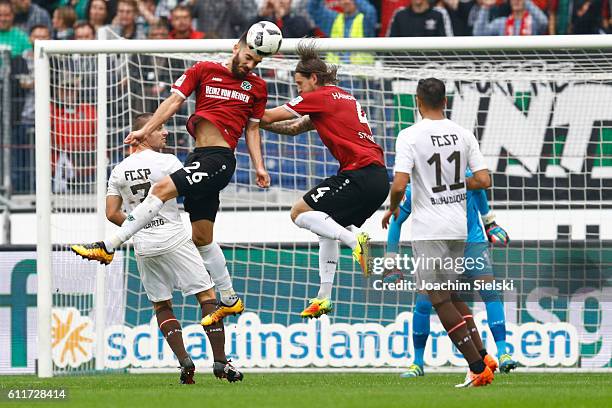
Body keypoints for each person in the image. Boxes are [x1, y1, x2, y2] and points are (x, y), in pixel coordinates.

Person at [71, 25, 272, 328]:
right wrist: (146, 130)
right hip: (198, 157)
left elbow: (252, 129)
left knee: (162, 188)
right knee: (202, 237)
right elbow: (173, 102)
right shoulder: (204, 70)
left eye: (256, 62)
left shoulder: (256, 88)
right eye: (248, 57)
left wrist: (259, 165)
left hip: (220, 158)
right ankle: (230, 299)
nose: (250, 65)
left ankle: (109, 246)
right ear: (236, 47)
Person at [105, 113, 243, 383]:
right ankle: (220, 362)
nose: (165, 133)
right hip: (174, 237)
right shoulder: (167, 161)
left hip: (144, 243)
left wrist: (138, 225)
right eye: (160, 129)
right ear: (144, 133)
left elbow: (111, 213)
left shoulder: (118, 170)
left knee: (161, 305)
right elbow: (191, 189)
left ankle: (184, 362)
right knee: (207, 296)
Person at [261, 42, 389, 319]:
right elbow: (294, 129)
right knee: (324, 225)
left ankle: (355, 242)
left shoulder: (319, 97)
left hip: (360, 173)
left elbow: (269, 114)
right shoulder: (343, 97)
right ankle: (324, 297)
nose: (298, 90)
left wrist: (239, 111)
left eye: (299, 84)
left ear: (314, 79)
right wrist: (261, 124)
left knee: (299, 213)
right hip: (377, 178)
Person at [381, 77, 496, 388]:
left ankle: (476, 367)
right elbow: (484, 180)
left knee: (439, 299)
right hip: (458, 227)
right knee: (453, 295)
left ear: (418, 102)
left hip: (428, 230)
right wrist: (458, 185)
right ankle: (484, 356)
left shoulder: (409, 136)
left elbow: (400, 183)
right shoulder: (463, 134)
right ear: (445, 101)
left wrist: (392, 208)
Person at [384, 169, 518, 378]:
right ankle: (418, 363)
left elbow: (480, 187)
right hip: (438, 246)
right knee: (425, 303)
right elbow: (396, 220)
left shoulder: (462, 173)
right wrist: (391, 259)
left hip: (471, 241)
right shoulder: (416, 188)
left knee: (489, 292)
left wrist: (489, 222)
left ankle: (502, 353)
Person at [472, 0, 548, 35]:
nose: (516, 1)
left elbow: (544, 22)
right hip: (507, 63)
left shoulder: (533, 22)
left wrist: (527, 3)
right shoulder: (501, 23)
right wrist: (486, 7)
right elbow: (479, 32)